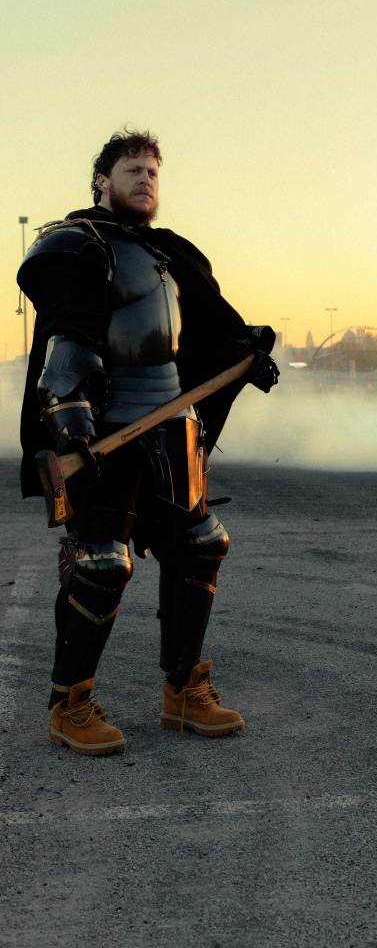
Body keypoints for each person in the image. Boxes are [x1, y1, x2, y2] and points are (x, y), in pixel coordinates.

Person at [17, 129, 279, 756]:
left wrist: (247, 351)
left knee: (200, 545)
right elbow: (66, 339)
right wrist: (70, 421)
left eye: (153, 171)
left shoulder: (168, 253)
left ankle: (183, 693)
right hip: (109, 429)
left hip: (174, 426)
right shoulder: (77, 245)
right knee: (102, 563)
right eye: (132, 169)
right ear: (101, 180)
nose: (145, 179)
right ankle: (70, 704)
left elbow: (209, 325)